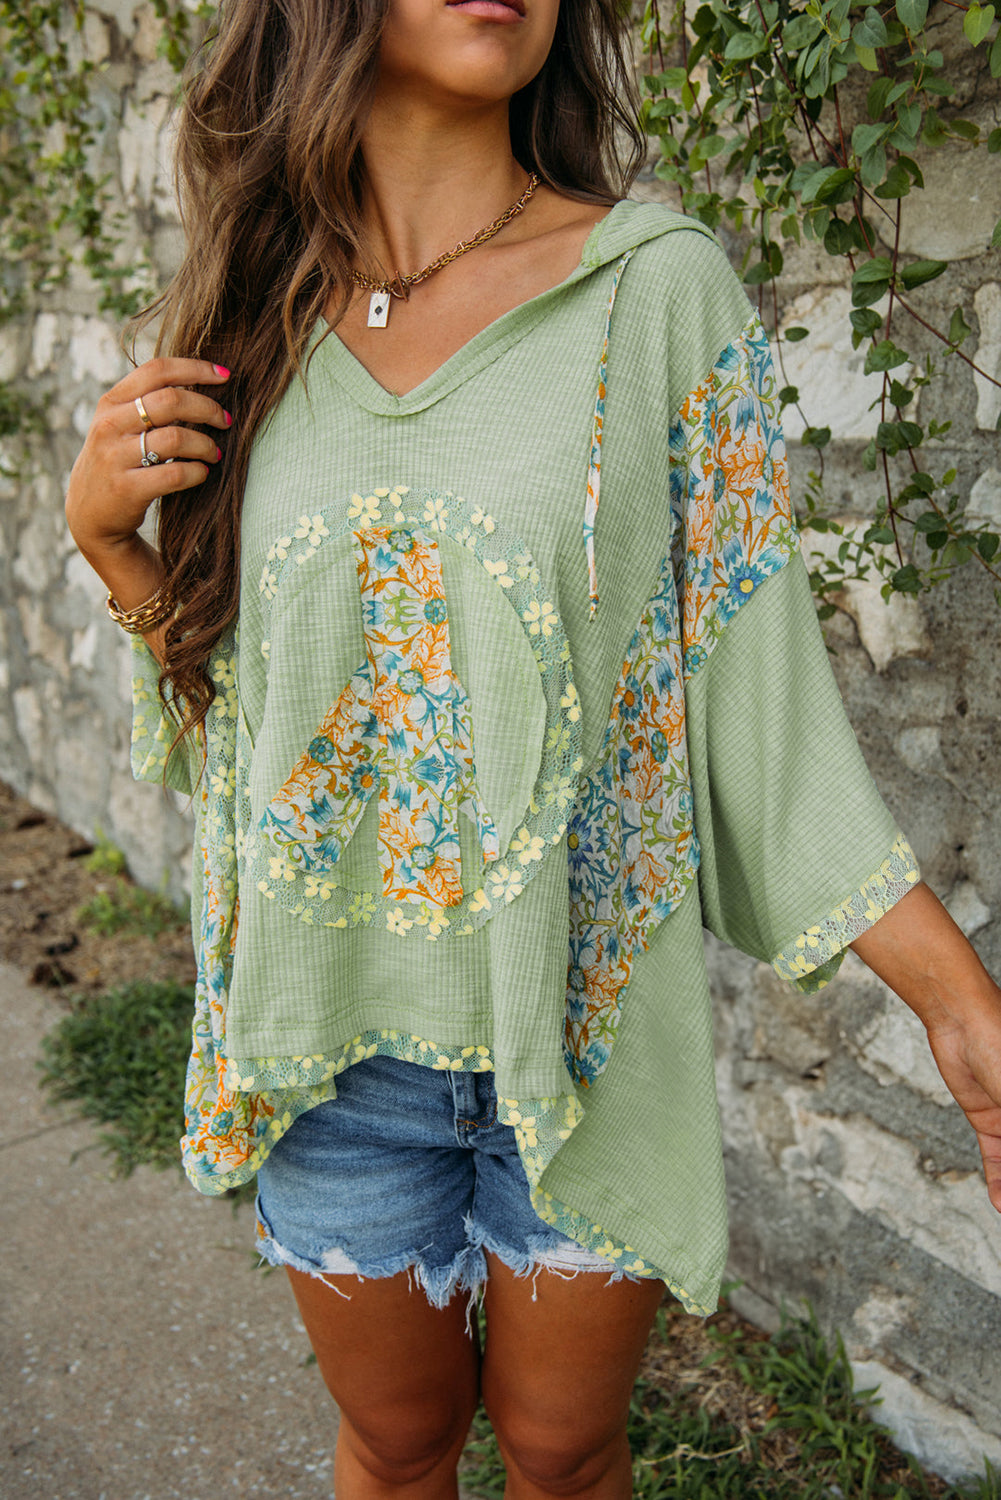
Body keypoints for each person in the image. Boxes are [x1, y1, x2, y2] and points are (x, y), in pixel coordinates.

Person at [65, 1, 1001, 1496]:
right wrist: (116, 550)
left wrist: (958, 1003)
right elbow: (254, 719)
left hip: (585, 1029)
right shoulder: (252, 314)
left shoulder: (656, 290)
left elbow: (754, 694)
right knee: (398, 1442)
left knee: (564, 1452)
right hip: (327, 1040)